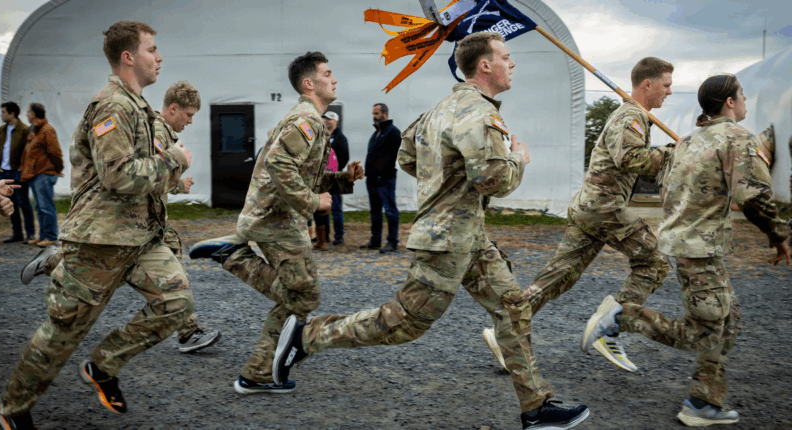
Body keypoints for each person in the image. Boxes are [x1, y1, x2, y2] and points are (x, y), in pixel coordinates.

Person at [273, 33, 591, 430]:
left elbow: (408, 154)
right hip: (447, 242)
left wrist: (443, 184)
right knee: (403, 323)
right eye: (506, 58)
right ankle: (308, 336)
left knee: (513, 308)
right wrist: (519, 158)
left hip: (468, 237)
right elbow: (492, 178)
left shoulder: (442, 108)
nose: (512, 64)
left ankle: (536, 408)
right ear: (485, 66)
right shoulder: (477, 112)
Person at [0, 21, 194, 430]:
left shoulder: (140, 108)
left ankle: (103, 366)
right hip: (100, 241)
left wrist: (172, 174)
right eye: (152, 50)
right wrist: (175, 160)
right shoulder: (113, 106)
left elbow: (149, 173)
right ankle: (10, 408)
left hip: (141, 239)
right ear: (128, 57)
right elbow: (118, 176)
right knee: (63, 333)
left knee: (176, 305)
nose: (159, 58)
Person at [582, 74, 791, 428]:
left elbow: (669, 189)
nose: (744, 102)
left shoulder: (690, 141)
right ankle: (620, 317)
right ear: (729, 102)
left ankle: (704, 400)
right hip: (699, 249)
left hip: (687, 244)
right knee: (703, 332)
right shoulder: (738, 138)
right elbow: (752, 196)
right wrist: (779, 235)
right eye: (741, 96)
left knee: (729, 319)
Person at [485, 57, 675, 374]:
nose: (669, 92)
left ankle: (507, 334)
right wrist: (674, 154)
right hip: (604, 207)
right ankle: (610, 326)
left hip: (591, 208)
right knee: (654, 261)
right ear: (647, 85)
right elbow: (629, 157)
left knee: (558, 276)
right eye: (666, 86)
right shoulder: (631, 116)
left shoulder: (635, 115)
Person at [188, 51, 364, 395]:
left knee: (301, 296)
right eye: (328, 73)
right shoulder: (307, 120)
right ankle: (234, 258)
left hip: (275, 218)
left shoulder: (310, 119)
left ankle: (257, 373)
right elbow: (281, 168)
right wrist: (314, 202)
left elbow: (304, 174)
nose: (335, 79)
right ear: (309, 83)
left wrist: (342, 179)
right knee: (305, 295)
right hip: (275, 221)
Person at [19, 81, 221, 354]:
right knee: (110, 273)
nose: (190, 121)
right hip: (135, 223)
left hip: (151, 223)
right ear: (173, 109)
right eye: (188, 115)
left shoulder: (161, 131)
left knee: (163, 276)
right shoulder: (158, 132)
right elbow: (146, 175)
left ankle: (188, 331)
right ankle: (56, 261)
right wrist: (178, 184)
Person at [360, 102, 401, 253]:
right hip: (372, 179)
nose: (374, 117)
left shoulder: (392, 132)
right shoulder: (376, 133)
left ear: (385, 114)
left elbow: (392, 155)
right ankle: (375, 240)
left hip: (385, 178)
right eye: (373, 114)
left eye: (376, 114)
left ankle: (392, 242)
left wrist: (381, 171)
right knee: (375, 211)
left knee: (390, 210)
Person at [21, 103, 63, 247]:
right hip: (35, 174)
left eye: (27, 112)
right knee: (39, 207)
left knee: (46, 206)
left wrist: (57, 169)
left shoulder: (47, 130)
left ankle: (51, 237)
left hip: (44, 173)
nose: (26, 114)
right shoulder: (34, 131)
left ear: (33, 114)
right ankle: (43, 236)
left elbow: (55, 152)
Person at [0, 101, 35, 243]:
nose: (1, 114)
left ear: (12, 114)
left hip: (18, 172)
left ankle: (30, 233)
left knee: (23, 201)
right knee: (10, 202)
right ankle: (17, 233)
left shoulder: (24, 129)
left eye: (3, 112)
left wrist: (22, 168)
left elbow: (28, 150)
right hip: (4, 171)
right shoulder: (1, 130)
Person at [313, 110, 349, 248]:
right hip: (321, 178)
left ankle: (339, 236)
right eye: (325, 118)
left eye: (330, 119)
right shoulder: (321, 136)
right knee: (323, 207)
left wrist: (335, 172)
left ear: (336, 121)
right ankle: (324, 237)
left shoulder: (340, 138)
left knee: (336, 207)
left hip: (334, 178)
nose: (326, 121)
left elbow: (344, 157)